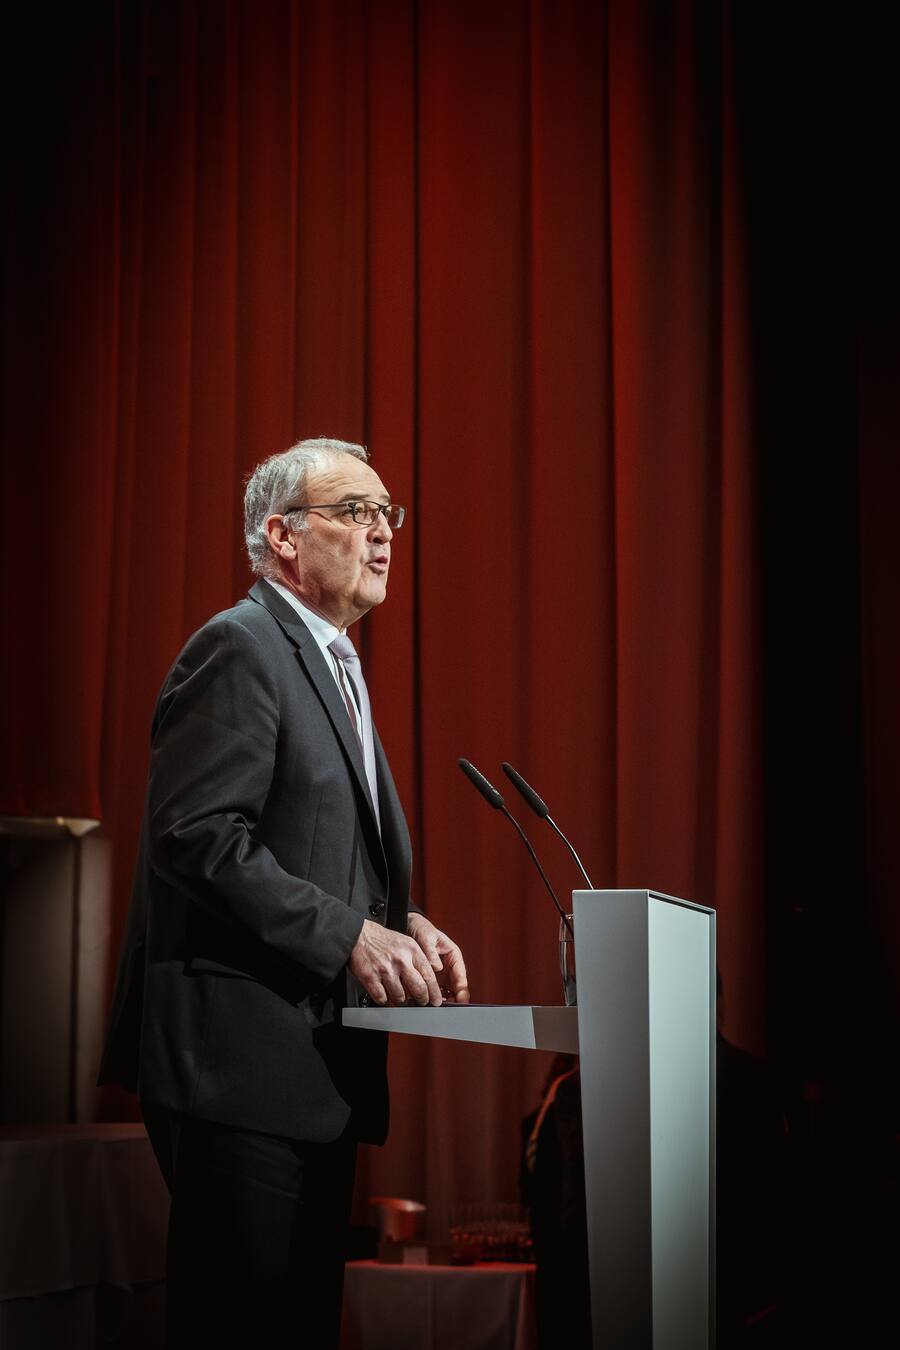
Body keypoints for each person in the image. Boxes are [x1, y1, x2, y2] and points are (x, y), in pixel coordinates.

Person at [99, 437, 469, 1349]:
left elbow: (306, 845)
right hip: (239, 1073)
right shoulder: (240, 647)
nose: (383, 534)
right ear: (283, 537)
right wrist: (351, 935)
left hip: (314, 1073)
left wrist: (396, 921)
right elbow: (197, 836)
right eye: (355, 512)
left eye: (390, 515)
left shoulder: (335, 664)